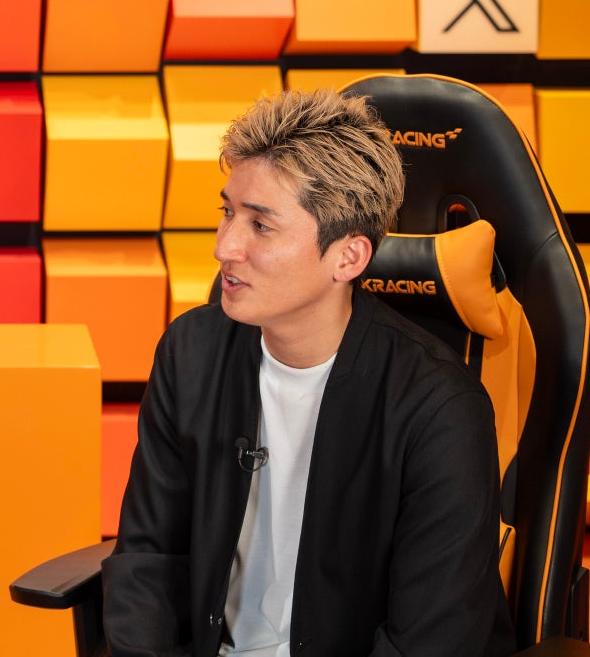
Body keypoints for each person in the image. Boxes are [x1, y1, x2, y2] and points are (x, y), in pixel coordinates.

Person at [102, 88, 514, 657]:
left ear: (349, 257)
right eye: (228, 212)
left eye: (261, 225)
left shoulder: (441, 408)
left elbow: (429, 640)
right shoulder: (190, 353)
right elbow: (147, 558)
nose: (225, 247)